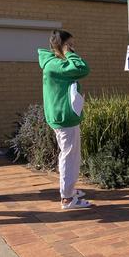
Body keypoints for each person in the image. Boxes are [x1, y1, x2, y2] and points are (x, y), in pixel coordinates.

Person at [38, 30, 92, 210]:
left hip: (63, 116)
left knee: (69, 155)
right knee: (70, 157)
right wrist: (69, 53)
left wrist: (67, 52)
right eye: (71, 44)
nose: (73, 48)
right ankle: (68, 198)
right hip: (64, 117)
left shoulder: (54, 63)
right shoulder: (55, 65)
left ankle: (69, 190)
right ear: (63, 45)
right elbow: (81, 69)